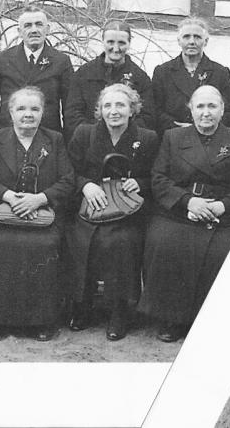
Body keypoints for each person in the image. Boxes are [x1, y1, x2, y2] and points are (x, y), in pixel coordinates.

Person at [141, 85, 230, 342]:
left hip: (222, 212)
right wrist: (188, 202)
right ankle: (172, 318)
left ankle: (210, 321)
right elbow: (159, 178)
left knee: (224, 251)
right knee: (165, 242)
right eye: (200, 106)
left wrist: (224, 205)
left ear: (222, 110)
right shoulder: (172, 137)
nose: (206, 112)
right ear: (190, 110)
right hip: (180, 210)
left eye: (212, 106)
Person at [0, 86, 75, 342]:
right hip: (3, 213)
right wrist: (9, 196)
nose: (27, 114)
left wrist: (39, 199)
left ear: (43, 112)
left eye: (34, 109)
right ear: (10, 112)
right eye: (21, 108)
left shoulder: (55, 140)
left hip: (43, 213)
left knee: (47, 244)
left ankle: (43, 320)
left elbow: (67, 180)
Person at [67, 84, 159, 340]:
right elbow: (68, 170)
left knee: (121, 241)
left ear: (132, 109)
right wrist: (85, 185)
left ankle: (120, 310)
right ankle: (82, 303)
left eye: (120, 105)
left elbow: (157, 175)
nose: (114, 111)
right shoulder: (84, 133)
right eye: (107, 105)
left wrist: (139, 183)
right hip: (89, 206)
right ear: (100, 110)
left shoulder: (148, 138)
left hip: (127, 210)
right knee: (80, 237)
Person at [0, 5, 73, 139]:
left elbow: (69, 109)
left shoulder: (61, 61)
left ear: (47, 29)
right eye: (28, 25)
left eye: (39, 24)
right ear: (19, 31)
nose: (34, 30)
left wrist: (67, 144)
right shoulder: (1, 60)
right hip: (7, 138)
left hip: (47, 138)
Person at [64, 21, 155, 139]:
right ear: (103, 41)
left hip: (126, 142)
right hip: (89, 141)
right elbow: (72, 115)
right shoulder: (83, 74)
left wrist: (118, 135)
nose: (116, 49)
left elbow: (147, 118)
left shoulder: (140, 78)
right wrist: (95, 135)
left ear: (129, 43)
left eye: (121, 43)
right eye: (110, 42)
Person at [151, 17, 230, 135]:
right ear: (179, 41)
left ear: (206, 41)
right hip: (173, 136)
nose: (192, 41)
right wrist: (180, 130)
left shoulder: (220, 73)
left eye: (197, 37)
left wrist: (204, 129)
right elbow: (155, 110)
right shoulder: (163, 72)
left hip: (210, 137)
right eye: (186, 37)